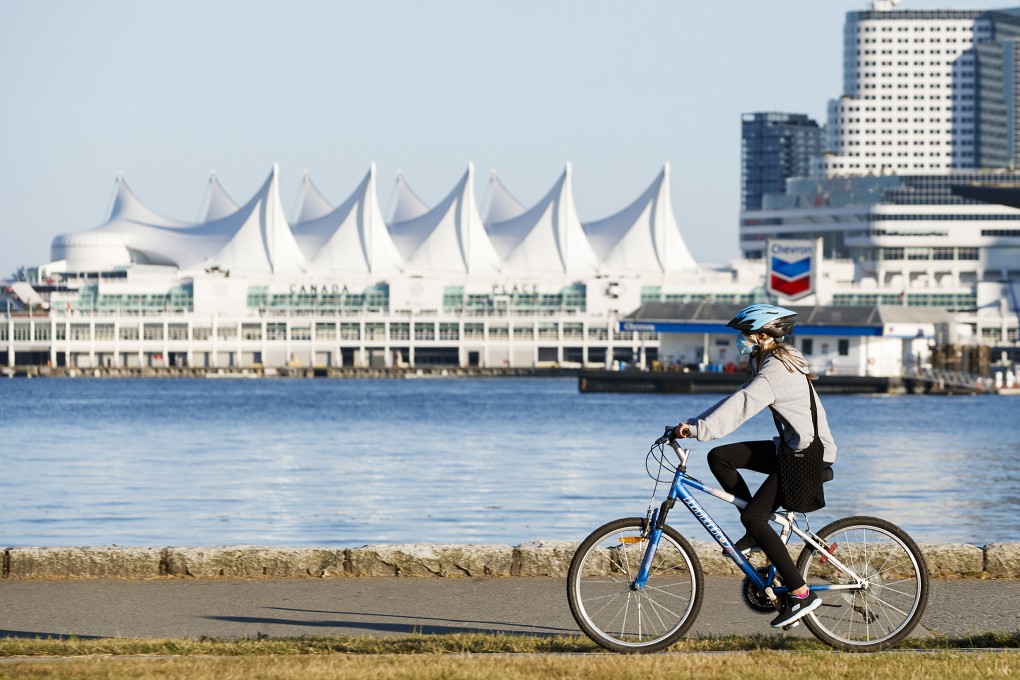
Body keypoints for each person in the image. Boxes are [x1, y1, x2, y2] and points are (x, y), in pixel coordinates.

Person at [672, 303, 837, 629]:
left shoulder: (776, 370)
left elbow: (741, 406)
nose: (740, 342)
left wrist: (698, 430)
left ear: (763, 335)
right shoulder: (775, 359)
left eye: (744, 336)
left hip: (806, 456)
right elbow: (737, 397)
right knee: (721, 458)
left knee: (754, 514)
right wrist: (693, 423)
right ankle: (757, 533)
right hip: (793, 449)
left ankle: (802, 594)